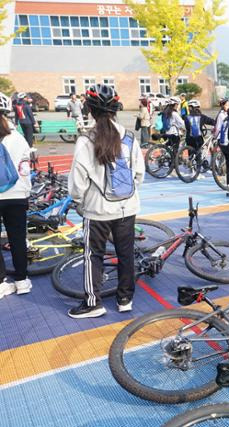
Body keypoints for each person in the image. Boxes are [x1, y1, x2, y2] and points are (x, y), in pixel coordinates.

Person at [67, 84, 145, 318]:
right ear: (115, 110)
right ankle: (125, 299)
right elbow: (138, 175)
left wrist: (79, 202)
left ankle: (93, 303)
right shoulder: (130, 137)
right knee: (126, 253)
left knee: (94, 255)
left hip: (97, 210)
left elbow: (77, 183)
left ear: (89, 109)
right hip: (126, 207)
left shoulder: (85, 140)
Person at [0, 92, 32, 298]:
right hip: (17, 195)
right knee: (18, 238)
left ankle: (2, 283)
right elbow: (25, 166)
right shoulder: (17, 137)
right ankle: (21, 281)